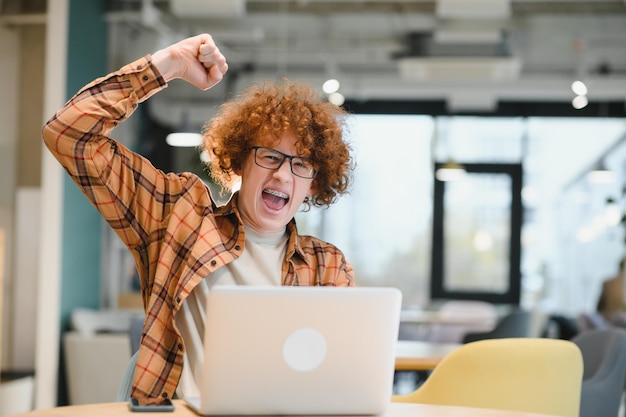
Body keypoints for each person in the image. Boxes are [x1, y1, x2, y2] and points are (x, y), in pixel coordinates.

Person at [42, 33, 355, 402]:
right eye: (270, 156)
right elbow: (67, 133)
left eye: (300, 164)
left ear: (313, 183)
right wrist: (167, 65)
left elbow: (342, 378)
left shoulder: (327, 267)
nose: (283, 175)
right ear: (240, 160)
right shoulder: (179, 215)